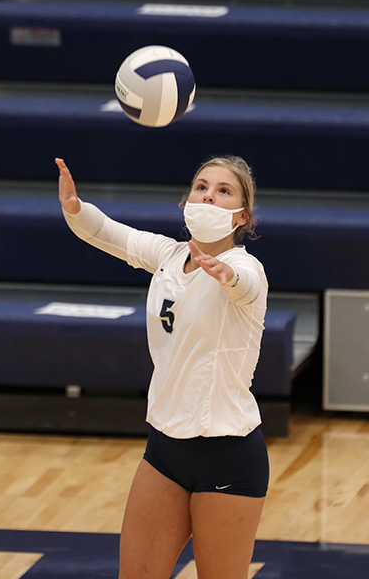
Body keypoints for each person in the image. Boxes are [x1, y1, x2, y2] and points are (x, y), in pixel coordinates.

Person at [56, 155, 269, 579]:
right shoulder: (169, 256)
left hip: (227, 454)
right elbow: (109, 234)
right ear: (186, 201)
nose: (209, 194)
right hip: (166, 451)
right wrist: (74, 206)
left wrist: (225, 273)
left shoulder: (246, 268)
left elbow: (244, 288)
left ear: (242, 215)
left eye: (223, 190)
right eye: (201, 186)